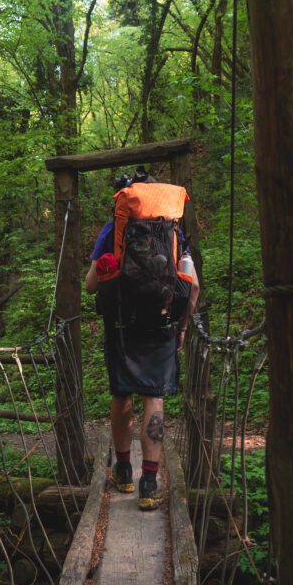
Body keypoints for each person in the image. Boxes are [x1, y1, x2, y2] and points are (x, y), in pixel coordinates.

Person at [85, 169, 200, 510]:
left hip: (122, 324)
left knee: (122, 394)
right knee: (154, 396)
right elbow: (191, 286)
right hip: (163, 323)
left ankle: (123, 471)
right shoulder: (175, 231)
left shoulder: (113, 230)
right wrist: (182, 328)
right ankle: (149, 483)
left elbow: (91, 285)